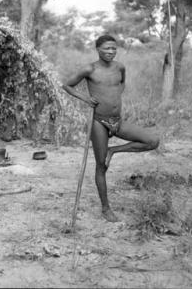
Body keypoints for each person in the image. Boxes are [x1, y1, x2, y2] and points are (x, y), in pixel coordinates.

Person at [62, 34, 159, 222]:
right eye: (107, 48)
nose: (111, 52)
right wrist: (86, 99)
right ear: (98, 49)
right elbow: (67, 85)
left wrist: (113, 101)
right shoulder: (89, 69)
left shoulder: (120, 67)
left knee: (152, 141)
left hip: (117, 120)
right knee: (101, 166)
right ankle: (106, 208)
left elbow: (121, 84)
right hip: (98, 121)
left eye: (114, 48)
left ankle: (113, 150)